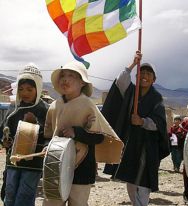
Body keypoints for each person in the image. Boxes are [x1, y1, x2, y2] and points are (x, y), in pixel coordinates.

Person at [42, 60, 123, 206]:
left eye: (72, 76)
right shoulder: (54, 106)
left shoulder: (88, 105)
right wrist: (47, 146)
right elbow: (48, 134)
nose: (65, 79)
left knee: (78, 202)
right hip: (55, 165)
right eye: (63, 76)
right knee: (52, 201)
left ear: (82, 83)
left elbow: (99, 137)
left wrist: (77, 132)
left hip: (83, 166)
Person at [103, 51, 170, 206]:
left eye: (148, 73)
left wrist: (142, 121)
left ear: (154, 79)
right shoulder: (131, 91)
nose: (144, 75)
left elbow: (159, 123)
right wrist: (133, 63)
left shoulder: (156, 98)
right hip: (130, 145)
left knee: (144, 181)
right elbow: (120, 81)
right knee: (131, 180)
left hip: (147, 147)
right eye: (142, 72)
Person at [2, 63, 49, 206]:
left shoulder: (44, 109)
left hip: (32, 163)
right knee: (9, 192)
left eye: (30, 89)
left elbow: (50, 133)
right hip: (13, 160)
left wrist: (35, 124)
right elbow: (4, 129)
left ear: (38, 88)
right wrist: (4, 141)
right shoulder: (14, 107)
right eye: (21, 89)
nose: (25, 93)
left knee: (25, 194)